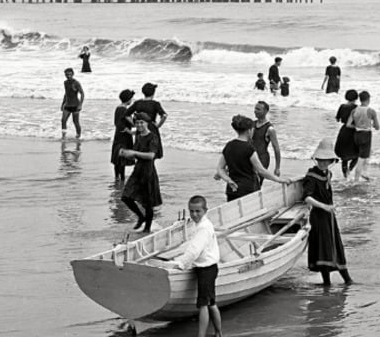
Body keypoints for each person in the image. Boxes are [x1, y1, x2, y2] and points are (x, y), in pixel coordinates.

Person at [161, 195, 223, 337]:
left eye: (197, 211)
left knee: (203, 304)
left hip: (206, 270)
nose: (194, 215)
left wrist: (181, 264)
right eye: (191, 211)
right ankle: (219, 333)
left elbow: (194, 251)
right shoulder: (202, 225)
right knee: (211, 303)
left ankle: (203, 335)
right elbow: (193, 248)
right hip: (209, 268)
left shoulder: (203, 228)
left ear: (205, 211)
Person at [301, 138, 353, 286]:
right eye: (321, 159)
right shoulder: (311, 176)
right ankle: (328, 282)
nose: (323, 162)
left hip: (329, 216)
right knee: (324, 247)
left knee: (335, 245)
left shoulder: (328, 174)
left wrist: (328, 208)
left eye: (327, 160)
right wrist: (323, 206)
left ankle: (347, 279)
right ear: (316, 159)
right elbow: (307, 197)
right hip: (319, 216)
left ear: (331, 160)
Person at [216, 115, 289, 202]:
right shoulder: (249, 148)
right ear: (249, 131)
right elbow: (261, 170)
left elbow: (220, 168)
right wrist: (279, 180)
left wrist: (228, 180)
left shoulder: (229, 145)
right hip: (248, 189)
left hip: (232, 190)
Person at [119, 113, 162, 233]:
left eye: (141, 122)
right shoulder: (138, 136)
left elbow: (151, 155)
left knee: (148, 203)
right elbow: (135, 154)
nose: (139, 125)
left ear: (147, 123)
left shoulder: (153, 137)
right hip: (137, 170)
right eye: (137, 123)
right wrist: (125, 154)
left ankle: (147, 228)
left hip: (148, 172)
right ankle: (141, 217)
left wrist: (134, 153)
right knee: (126, 197)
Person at [125, 82, 167, 159]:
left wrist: (135, 124)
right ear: (153, 93)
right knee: (152, 153)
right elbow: (164, 115)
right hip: (151, 129)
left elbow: (127, 115)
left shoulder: (138, 103)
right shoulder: (155, 104)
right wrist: (158, 125)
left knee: (140, 152)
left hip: (140, 129)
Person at [347, 91, 380, 182]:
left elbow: (348, 124)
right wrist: (372, 125)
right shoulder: (371, 111)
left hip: (356, 134)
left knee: (366, 154)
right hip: (366, 134)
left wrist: (357, 126)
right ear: (368, 99)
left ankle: (364, 173)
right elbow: (377, 127)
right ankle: (357, 179)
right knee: (362, 158)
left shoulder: (354, 110)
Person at [252, 101, 281, 185]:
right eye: (255, 108)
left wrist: (277, 167)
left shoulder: (270, 129)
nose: (255, 111)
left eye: (258, 109)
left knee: (257, 182)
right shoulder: (251, 124)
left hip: (262, 158)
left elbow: (276, 149)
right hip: (251, 156)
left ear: (265, 111)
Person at [112, 89, 136, 182]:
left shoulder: (119, 108)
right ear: (129, 99)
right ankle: (121, 179)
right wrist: (130, 132)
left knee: (117, 160)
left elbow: (117, 123)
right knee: (122, 159)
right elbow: (120, 124)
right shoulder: (123, 109)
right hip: (123, 137)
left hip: (118, 136)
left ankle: (117, 178)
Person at [335, 89, 360, 179]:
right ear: (356, 98)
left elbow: (338, 119)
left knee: (344, 156)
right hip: (353, 131)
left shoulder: (342, 106)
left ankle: (345, 176)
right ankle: (350, 169)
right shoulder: (357, 108)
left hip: (344, 131)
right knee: (357, 154)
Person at [61, 68, 85, 138]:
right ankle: (63, 136)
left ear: (72, 74)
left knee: (76, 122)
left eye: (70, 74)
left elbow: (82, 94)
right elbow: (66, 93)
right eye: (67, 74)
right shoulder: (65, 82)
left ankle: (78, 136)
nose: (68, 76)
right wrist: (63, 103)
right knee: (63, 120)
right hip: (67, 105)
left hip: (75, 105)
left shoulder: (76, 83)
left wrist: (80, 105)